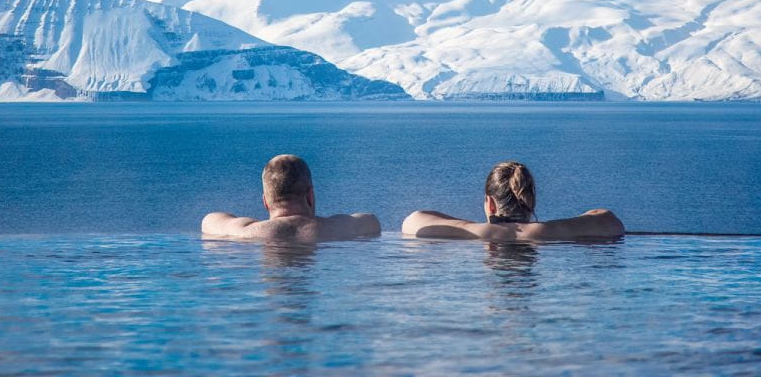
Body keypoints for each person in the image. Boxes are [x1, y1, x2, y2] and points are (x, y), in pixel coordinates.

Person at [401, 160, 624, 241]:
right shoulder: (550, 232)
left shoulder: (474, 233)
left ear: (489, 202)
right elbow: (608, 219)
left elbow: (414, 219)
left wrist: (471, 225)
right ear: (530, 200)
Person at [202, 154, 381, 241]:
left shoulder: (246, 232)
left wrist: (252, 223)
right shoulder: (339, 228)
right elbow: (372, 220)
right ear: (310, 195)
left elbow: (209, 220)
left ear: (265, 202)